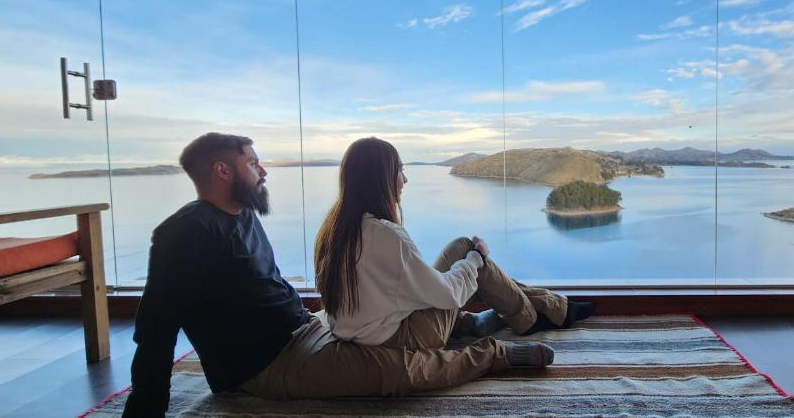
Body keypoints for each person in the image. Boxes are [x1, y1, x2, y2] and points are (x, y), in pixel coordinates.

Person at [122, 133, 587, 418]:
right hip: (267, 367)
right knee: (401, 373)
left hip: (305, 330)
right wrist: (144, 411)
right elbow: (156, 328)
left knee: (445, 273)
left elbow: (269, 287)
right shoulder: (184, 234)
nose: (263, 170)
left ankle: (512, 314)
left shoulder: (242, 215)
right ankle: (497, 351)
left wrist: (314, 317)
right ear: (222, 170)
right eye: (252, 162)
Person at [313, 137, 596, 388]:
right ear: (381, 178)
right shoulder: (385, 236)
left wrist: (470, 261)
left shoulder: (334, 230)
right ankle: (539, 315)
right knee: (470, 253)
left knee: (462, 250)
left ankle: (548, 308)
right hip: (398, 338)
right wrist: (475, 259)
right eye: (400, 170)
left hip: (367, 329)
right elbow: (450, 294)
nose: (405, 180)